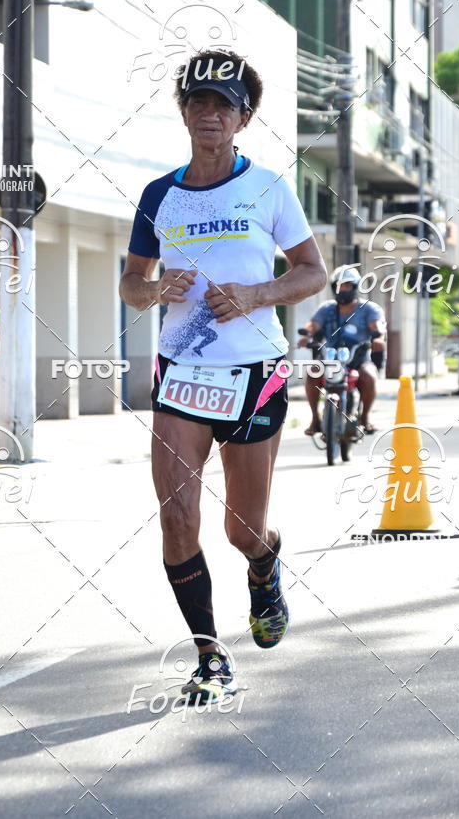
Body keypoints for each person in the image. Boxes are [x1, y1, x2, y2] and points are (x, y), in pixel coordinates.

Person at [119, 50, 326, 702]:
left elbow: (312, 271)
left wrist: (256, 294)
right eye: (199, 102)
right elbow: (130, 282)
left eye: (224, 105)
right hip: (180, 373)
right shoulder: (160, 194)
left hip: (254, 375)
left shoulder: (267, 188)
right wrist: (155, 290)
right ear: (183, 111)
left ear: (243, 118)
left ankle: (264, 563)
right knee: (178, 516)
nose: (211, 114)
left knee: (241, 527)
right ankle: (210, 656)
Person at [298, 265, 386, 436]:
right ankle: (315, 419)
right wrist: (307, 335)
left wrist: (378, 338)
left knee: (369, 376)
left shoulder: (369, 308)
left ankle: (365, 418)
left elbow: (377, 326)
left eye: (347, 286)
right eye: (339, 286)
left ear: (355, 287)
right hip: (331, 358)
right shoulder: (327, 308)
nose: (343, 289)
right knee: (313, 372)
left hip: (358, 358)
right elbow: (313, 325)